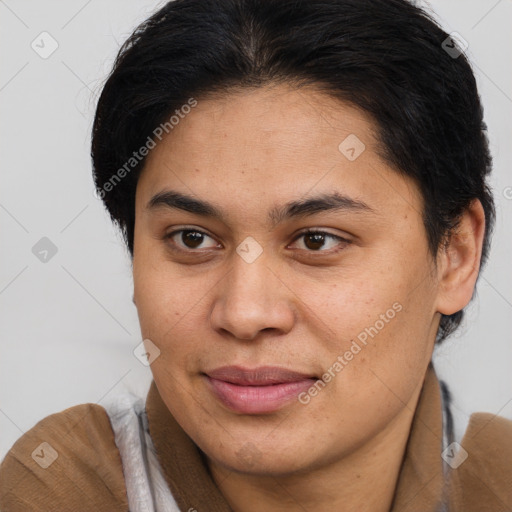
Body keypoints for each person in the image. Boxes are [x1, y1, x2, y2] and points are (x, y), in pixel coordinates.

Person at [1, 0, 511, 510]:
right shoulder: (62, 490)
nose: (244, 314)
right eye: (192, 238)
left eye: (317, 240)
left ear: (455, 254)